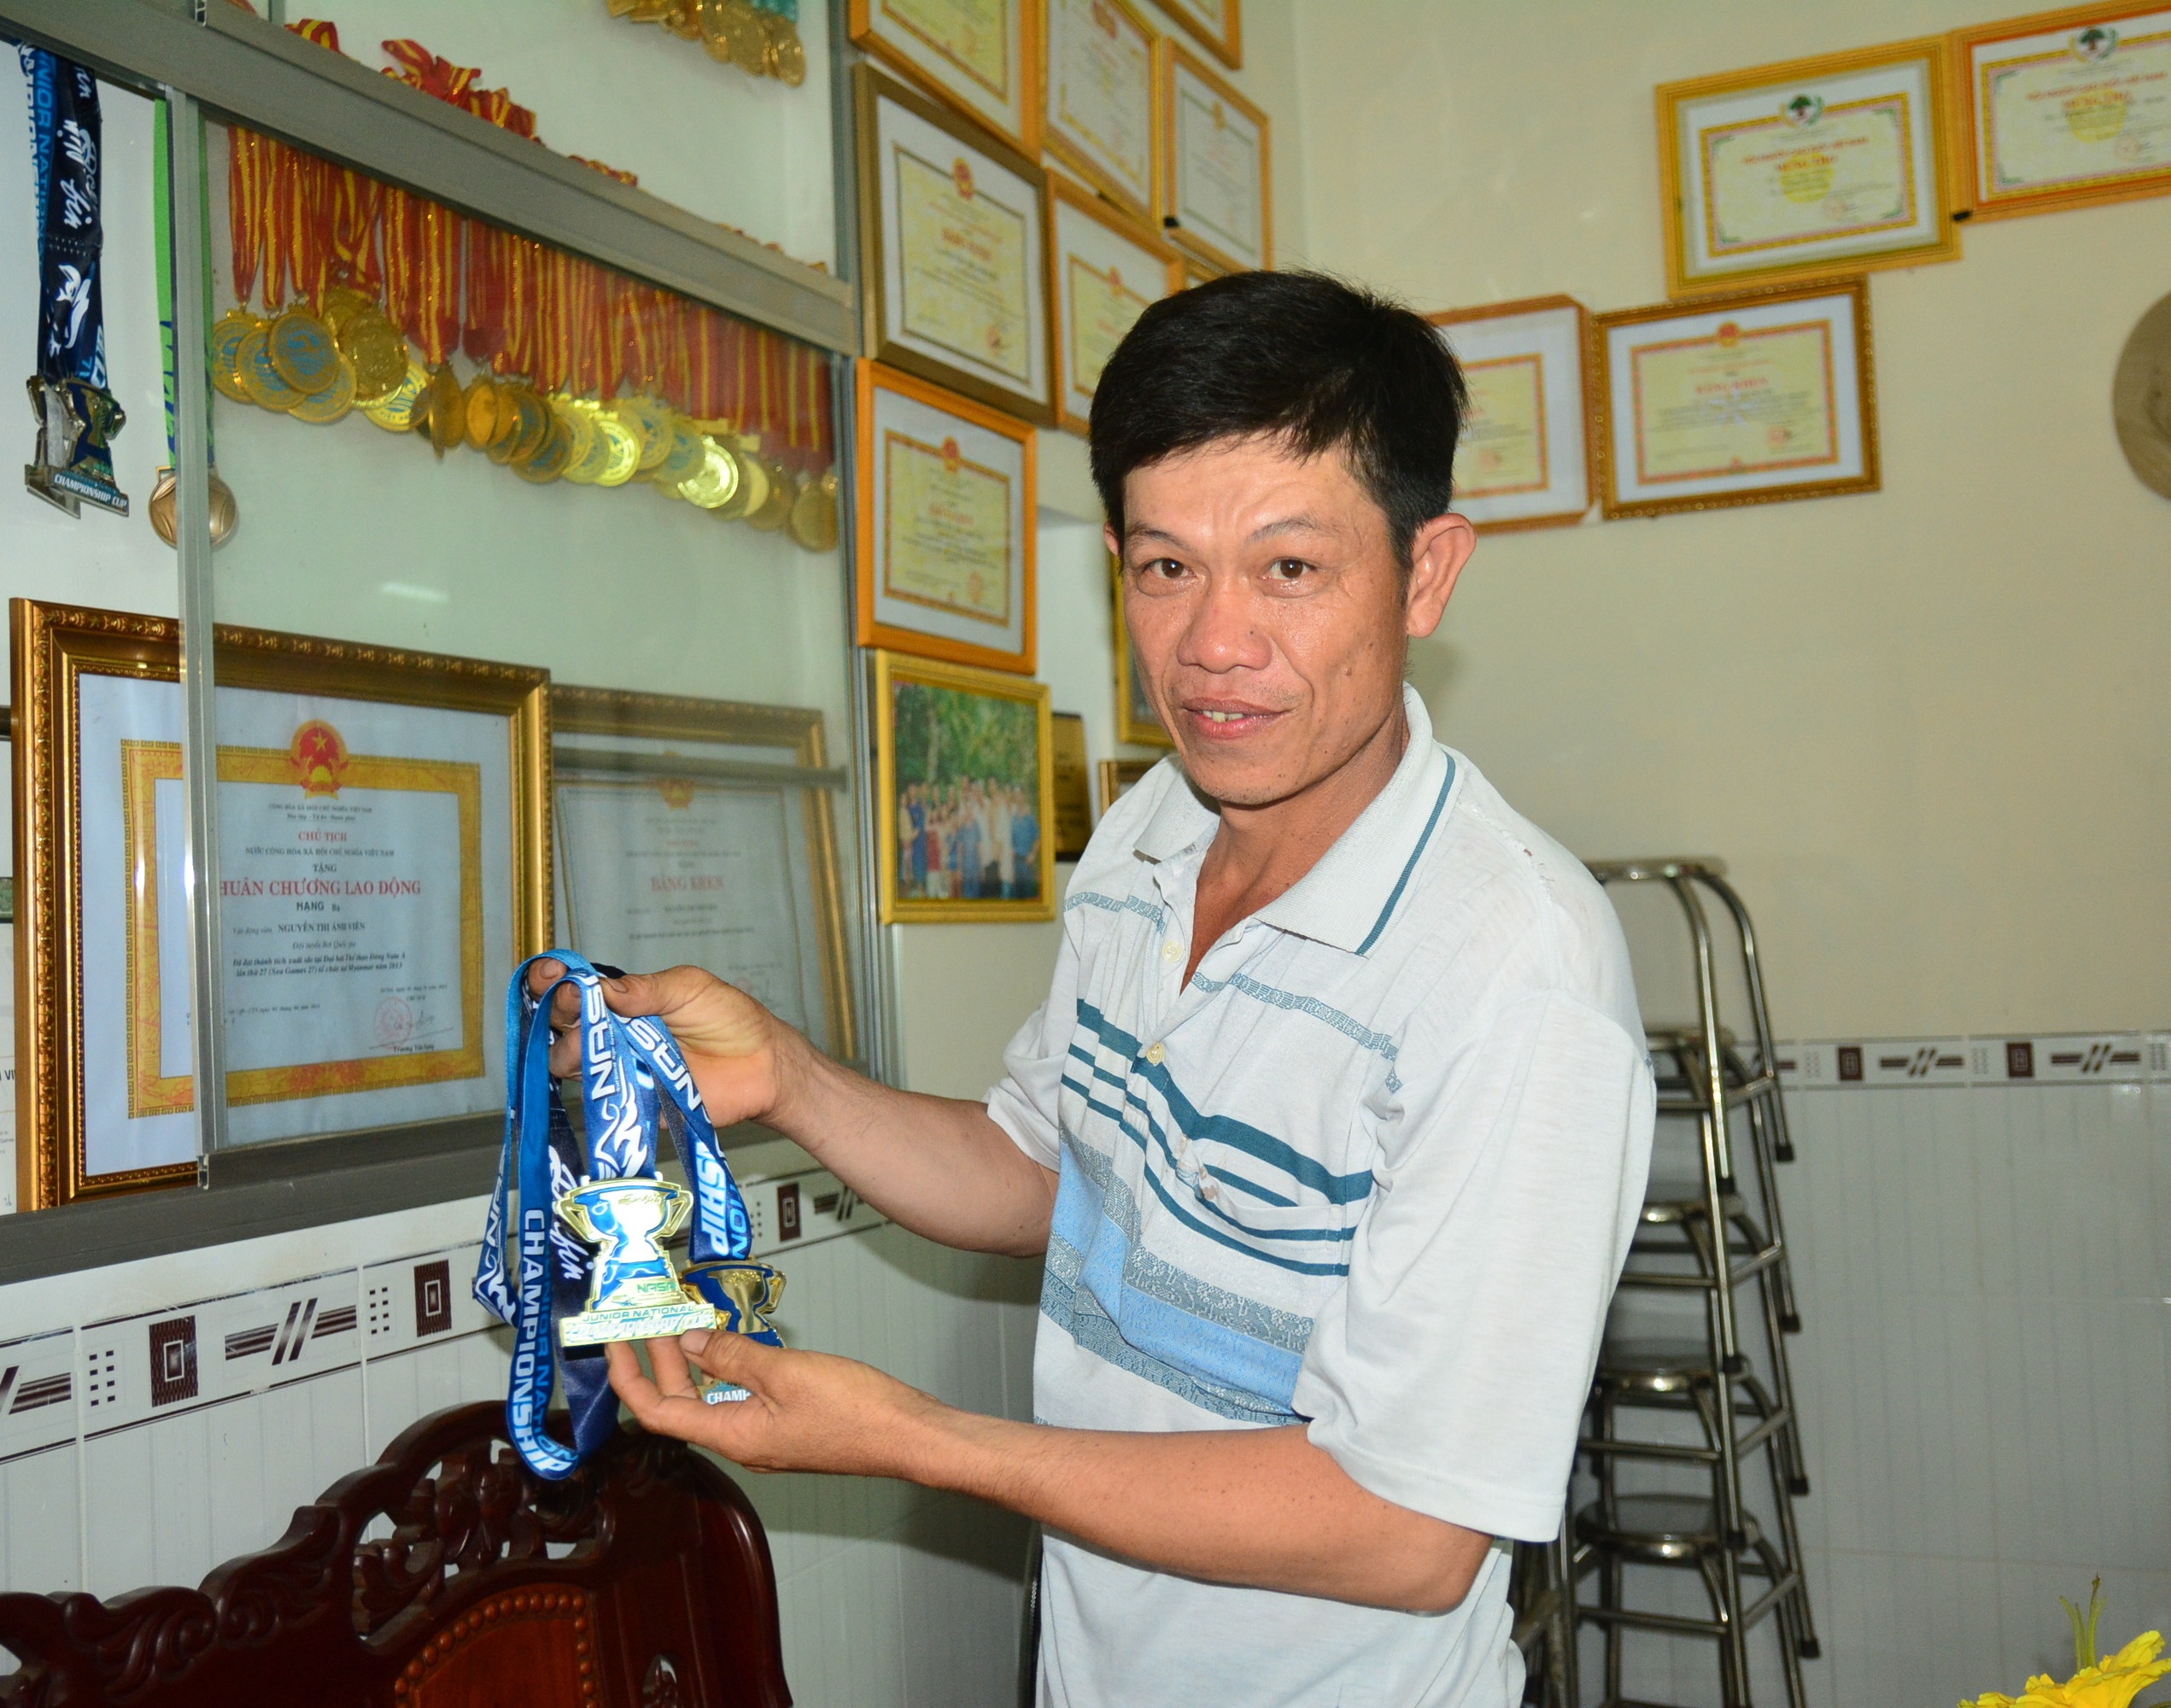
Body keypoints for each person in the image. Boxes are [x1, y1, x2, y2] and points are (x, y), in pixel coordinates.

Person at [534, 271, 1654, 1708]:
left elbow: (1409, 1532)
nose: (1213, 645)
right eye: (1165, 567)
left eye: (1289, 569)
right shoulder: (1149, 832)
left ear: (1424, 573)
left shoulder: (1513, 972)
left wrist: (917, 1440)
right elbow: (1048, 1171)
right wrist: (792, 1081)